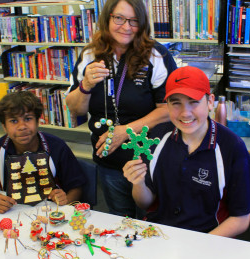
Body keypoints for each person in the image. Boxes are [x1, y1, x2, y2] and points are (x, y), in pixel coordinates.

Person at [66, 0, 177, 218]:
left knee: (156, 220)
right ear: (107, 19)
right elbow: (74, 108)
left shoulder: (156, 55)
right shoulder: (89, 55)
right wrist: (86, 85)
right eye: (119, 18)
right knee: (120, 221)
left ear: (143, 24)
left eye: (134, 21)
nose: (126, 27)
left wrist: (125, 131)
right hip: (109, 160)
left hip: (149, 160)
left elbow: (168, 110)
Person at [123, 66, 250, 237]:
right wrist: (138, 182)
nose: (185, 113)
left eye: (193, 101)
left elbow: (241, 219)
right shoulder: (157, 137)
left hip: (207, 238)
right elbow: (144, 203)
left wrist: (197, 246)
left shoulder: (231, 147)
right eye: (176, 102)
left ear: (210, 101)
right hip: (159, 233)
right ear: (167, 105)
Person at [0, 91, 86, 214]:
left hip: (51, 211)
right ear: (4, 126)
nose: (22, 126)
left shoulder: (57, 147)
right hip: (13, 213)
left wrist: (66, 200)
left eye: (28, 119)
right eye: (13, 121)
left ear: (37, 121)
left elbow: (77, 186)